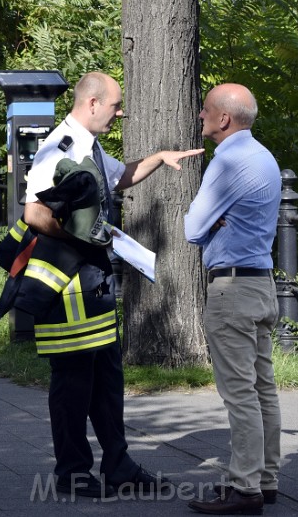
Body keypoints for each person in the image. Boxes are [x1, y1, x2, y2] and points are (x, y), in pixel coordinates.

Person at [21, 71, 203, 498]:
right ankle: (72, 470)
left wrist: (159, 157)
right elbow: (33, 213)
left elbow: (119, 178)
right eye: (115, 106)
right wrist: (81, 240)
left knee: (107, 375)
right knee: (72, 380)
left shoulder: (90, 145)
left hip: (93, 280)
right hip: (68, 283)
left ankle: (118, 464)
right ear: (92, 104)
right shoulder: (59, 148)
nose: (120, 113)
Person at [183, 84, 282, 515]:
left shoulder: (227, 160)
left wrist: (211, 221)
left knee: (240, 394)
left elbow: (191, 228)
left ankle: (245, 489)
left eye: (205, 110)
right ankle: (266, 478)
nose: (201, 116)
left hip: (232, 291)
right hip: (262, 285)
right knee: (264, 389)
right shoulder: (265, 157)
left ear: (224, 119)